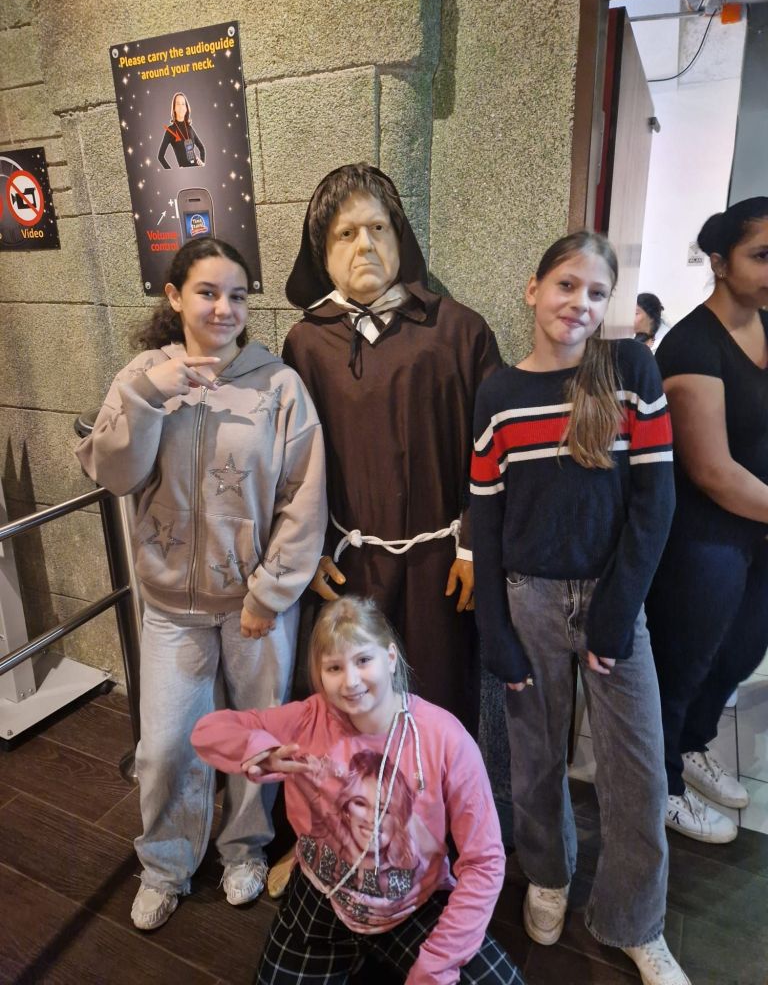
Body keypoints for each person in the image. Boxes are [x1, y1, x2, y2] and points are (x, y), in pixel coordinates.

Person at [76, 236, 326, 930]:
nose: (224, 308)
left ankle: (244, 849)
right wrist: (147, 397)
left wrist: (270, 593)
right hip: (169, 608)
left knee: (256, 738)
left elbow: (304, 498)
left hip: (254, 605)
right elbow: (114, 474)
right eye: (208, 292)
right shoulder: (142, 375)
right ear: (175, 296)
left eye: (237, 295)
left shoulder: (279, 385)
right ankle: (166, 863)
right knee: (164, 747)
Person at [471, 231, 690, 985]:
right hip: (527, 599)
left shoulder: (629, 371)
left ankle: (634, 918)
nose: (581, 303)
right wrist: (495, 631)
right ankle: (548, 873)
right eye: (567, 285)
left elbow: (656, 502)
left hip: (611, 599)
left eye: (598, 293)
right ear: (533, 290)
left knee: (637, 770)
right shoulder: (498, 394)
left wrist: (617, 609)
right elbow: (487, 519)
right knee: (536, 758)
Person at [192, 595, 524, 985]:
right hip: (323, 894)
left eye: (363, 660)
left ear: (390, 658)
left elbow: (485, 861)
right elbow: (208, 731)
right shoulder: (307, 718)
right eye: (334, 667)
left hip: (413, 902)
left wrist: (438, 964)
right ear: (319, 674)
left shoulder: (445, 738)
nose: (350, 682)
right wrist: (257, 748)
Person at [282, 163, 502, 737]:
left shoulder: (460, 332)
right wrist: (308, 550)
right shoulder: (306, 344)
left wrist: (475, 544)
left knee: (440, 707)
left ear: (400, 237)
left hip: (442, 567)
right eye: (345, 233)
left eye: (377, 228)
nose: (365, 245)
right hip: (350, 564)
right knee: (354, 708)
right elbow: (292, 463)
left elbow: (493, 449)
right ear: (322, 253)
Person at [645, 197, 768, 844]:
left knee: (740, 652)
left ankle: (692, 745)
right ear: (720, 262)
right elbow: (713, 470)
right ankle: (660, 785)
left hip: (759, 527)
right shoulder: (692, 343)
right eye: (762, 255)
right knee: (682, 664)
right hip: (704, 537)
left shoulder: (765, 325)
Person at [158, 91, 206, 168]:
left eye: (183, 104)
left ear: (186, 108)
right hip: (183, 173)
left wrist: (202, 163)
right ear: (174, 108)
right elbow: (160, 157)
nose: (181, 106)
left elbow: (202, 148)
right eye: (178, 104)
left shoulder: (190, 128)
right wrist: (172, 172)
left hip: (197, 170)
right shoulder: (170, 130)